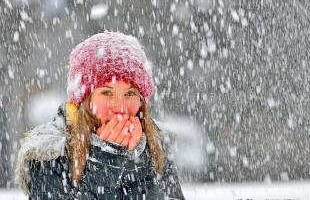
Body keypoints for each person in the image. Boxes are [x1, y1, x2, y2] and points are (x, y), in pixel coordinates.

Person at [15, 31, 185, 199]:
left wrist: (138, 161)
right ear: (84, 101)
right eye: (107, 93)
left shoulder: (155, 144)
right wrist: (106, 162)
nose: (120, 107)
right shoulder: (50, 154)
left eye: (130, 94)